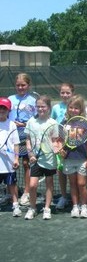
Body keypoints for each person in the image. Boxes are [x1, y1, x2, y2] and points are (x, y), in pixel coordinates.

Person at [24, 95, 58, 220]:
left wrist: (56, 148)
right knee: (32, 185)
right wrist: (30, 154)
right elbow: (28, 139)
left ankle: (47, 208)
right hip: (35, 159)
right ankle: (32, 208)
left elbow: (55, 141)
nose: (40, 109)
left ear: (48, 107)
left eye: (43, 106)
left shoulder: (53, 123)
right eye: (38, 106)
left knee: (49, 182)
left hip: (49, 159)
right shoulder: (31, 121)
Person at [8, 73, 38, 207]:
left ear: (28, 85)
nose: (20, 87)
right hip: (11, 136)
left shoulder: (33, 100)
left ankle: (26, 192)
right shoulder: (10, 99)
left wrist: (25, 125)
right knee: (10, 164)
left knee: (26, 163)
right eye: (18, 85)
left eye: (23, 85)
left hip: (26, 136)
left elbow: (36, 119)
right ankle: (11, 192)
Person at [60, 95, 87, 218]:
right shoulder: (63, 123)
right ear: (68, 108)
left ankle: (84, 207)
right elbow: (60, 140)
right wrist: (61, 150)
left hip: (82, 159)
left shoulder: (85, 124)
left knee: (81, 184)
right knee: (72, 184)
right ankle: (75, 206)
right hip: (69, 159)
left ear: (81, 110)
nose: (73, 110)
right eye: (71, 107)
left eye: (76, 108)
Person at [51, 83, 75, 210]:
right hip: (60, 144)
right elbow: (52, 125)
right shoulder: (55, 108)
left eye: (68, 93)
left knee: (74, 171)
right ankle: (64, 196)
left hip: (74, 144)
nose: (65, 95)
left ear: (72, 93)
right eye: (62, 92)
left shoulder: (75, 107)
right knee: (61, 171)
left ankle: (75, 197)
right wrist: (56, 145)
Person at [0, 97, 22, 217]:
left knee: (12, 185)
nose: (1, 110)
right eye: (0, 108)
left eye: (4, 108)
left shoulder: (12, 125)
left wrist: (16, 159)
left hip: (9, 162)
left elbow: (16, 143)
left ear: (9, 111)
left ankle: (15, 205)